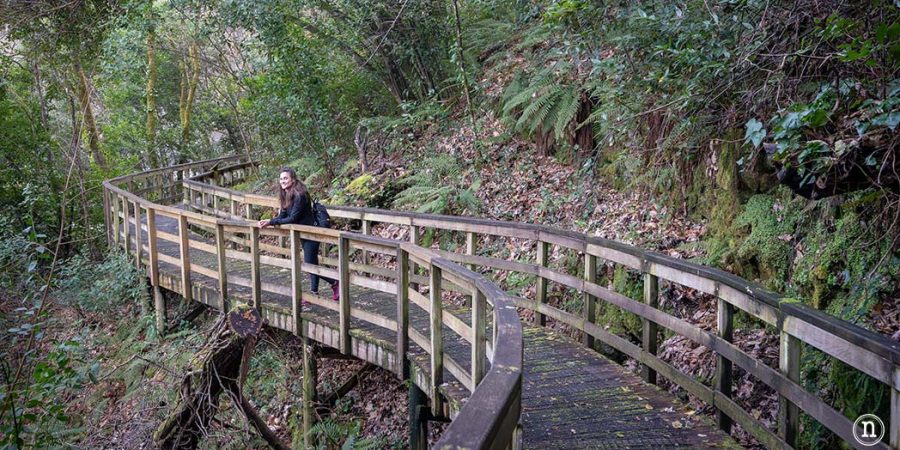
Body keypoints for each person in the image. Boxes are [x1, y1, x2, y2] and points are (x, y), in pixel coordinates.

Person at [259, 168, 339, 301]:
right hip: (303, 233)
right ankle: (314, 292)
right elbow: (283, 215)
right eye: (281, 179)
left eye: (286, 178)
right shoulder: (286, 194)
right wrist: (271, 221)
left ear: (293, 180)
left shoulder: (300, 195)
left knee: (309, 263)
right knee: (312, 262)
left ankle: (334, 282)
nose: (283, 181)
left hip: (312, 232)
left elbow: (293, 218)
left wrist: (271, 222)